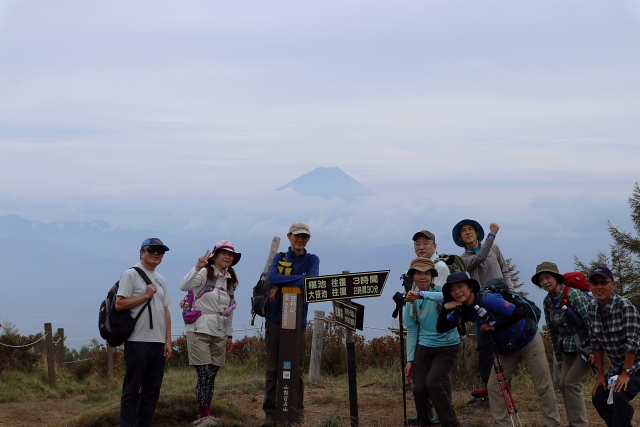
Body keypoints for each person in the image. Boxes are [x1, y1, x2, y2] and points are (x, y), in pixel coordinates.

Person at [437, 272, 561, 427]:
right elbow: (442, 327)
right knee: (494, 387)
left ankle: (553, 423)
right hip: (507, 348)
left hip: (528, 340)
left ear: (469, 287)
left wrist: (494, 326)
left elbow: (519, 313)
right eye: (453, 290)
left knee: (543, 385)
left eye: (460, 287)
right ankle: (502, 424)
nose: (457, 292)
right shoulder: (463, 310)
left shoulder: (488, 299)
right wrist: (444, 308)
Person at [261, 222, 320, 427]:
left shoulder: (312, 259)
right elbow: (272, 276)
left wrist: (281, 283)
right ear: (289, 236)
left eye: (304, 236)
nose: (300, 239)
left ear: (308, 239)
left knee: (297, 367)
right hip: (275, 319)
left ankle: (297, 412)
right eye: (297, 236)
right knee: (273, 366)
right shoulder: (281, 257)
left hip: (298, 322)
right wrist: (294, 279)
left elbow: (312, 281)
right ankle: (270, 413)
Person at [452, 219, 512, 399]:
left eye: (471, 229)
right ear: (460, 238)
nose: (468, 232)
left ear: (477, 232)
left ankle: (506, 387)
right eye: (463, 231)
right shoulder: (462, 260)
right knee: (484, 348)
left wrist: (511, 293)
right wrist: (492, 235)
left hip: (500, 301)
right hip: (480, 304)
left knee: (505, 343)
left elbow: (505, 270)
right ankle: (490, 389)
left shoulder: (494, 247)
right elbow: (480, 258)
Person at [179, 241, 240, 420]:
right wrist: (198, 267)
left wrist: (229, 334)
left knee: (212, 374)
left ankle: (207, 411)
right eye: (224, 253)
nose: (228, 257)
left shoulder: (230, 281)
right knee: (204, 372)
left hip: (220, 331)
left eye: (231, 255)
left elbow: (230, 310)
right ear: (215, 255)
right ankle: (204, 414)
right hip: (199, 329)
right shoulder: (205, 273)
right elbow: (185, 286)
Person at [116, 238, 173, 427]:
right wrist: (146, 296)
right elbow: (120, 303)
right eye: (152, 250)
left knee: (152, 390)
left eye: (160, 251)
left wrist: (168, 341)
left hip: (157, 342)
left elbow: (166, 310)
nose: (156, 253)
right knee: (132, 389)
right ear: (141, 252)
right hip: (137, 340)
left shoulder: (161, 279)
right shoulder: (131, 274)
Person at [533, 262, 592, 427]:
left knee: (572, 384)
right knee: (562, 383)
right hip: (567, 348)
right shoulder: (547, 302)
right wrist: (558, 356)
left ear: (556, 278)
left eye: (547, 277)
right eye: (541, 279)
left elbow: (592, 323)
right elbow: (552, 331)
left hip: (586, 345)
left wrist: (594, 350)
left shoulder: (573, 295)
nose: (545, 282)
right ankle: (574, 422)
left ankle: (579, 424)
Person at [404, 258, 461, 427]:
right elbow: (412, 330)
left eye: (426, 273)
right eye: (418, 273)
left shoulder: (439, 292)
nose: (423, 277)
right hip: (425, 346)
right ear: (413, 276)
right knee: (419, 388)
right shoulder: (411, 301)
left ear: (432, 276)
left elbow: (447, 296)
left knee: (433, 383)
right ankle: (424, 422)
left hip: (447, 345)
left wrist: (421, 294)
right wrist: (410, 360)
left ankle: (451, 423)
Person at [588, 266, 640, 427]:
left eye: (604, 282)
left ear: (613, 285)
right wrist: (601, 376)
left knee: (619, 396)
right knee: (600, 398)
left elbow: (633, 343)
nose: (599, 287)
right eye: (595, 283)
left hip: (636, 365)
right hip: (619, 366)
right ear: (590, 286)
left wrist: (626, 373)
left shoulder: (625, 307)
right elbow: (596, 344)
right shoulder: (592, 308)